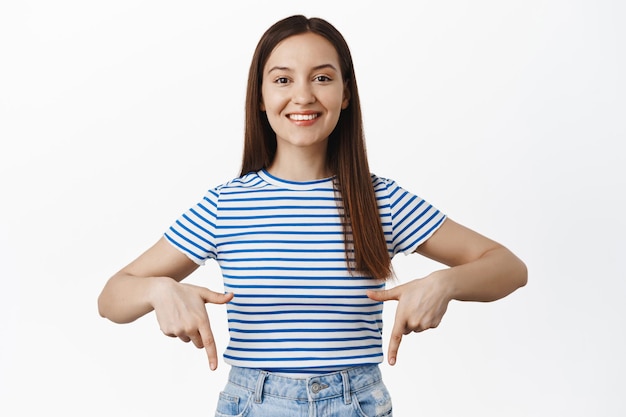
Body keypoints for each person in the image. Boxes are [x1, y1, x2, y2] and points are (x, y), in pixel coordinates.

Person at [98, 14, 527, 417]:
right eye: (282, 79)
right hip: (254, 403)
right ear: (261, 98)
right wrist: (158, 290)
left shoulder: (380, 201)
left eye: (322, 78)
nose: (303, 95)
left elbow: (509, 267)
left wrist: (445, 283)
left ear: (345, 95)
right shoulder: (224, 206)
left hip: (356, 402)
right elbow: (111, 298)